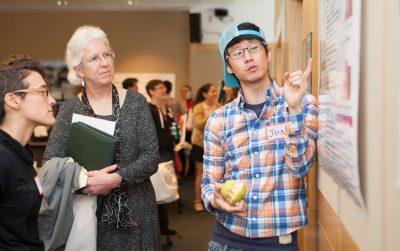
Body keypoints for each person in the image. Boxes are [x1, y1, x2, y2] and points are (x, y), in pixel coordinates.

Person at [201, 22, 317, 251]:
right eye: (237, 53)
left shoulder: (304, 103)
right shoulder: (218, 120)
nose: (247, 57)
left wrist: (292, 111)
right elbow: (209, 182)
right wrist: (214, 198)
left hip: (278, 243)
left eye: (253, 48)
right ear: (230, 67)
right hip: (226, 240)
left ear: (268, 53)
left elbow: (300, 167)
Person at [42, 25, 160, 250]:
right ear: (79, 70)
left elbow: (150, 157)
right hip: (88, 211)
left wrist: (116, 179)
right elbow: (51, 162)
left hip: (136, 210)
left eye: (107, 55)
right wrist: (85, 182)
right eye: (94, 58)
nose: (105, 62)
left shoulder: (136, 103)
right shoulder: (69, 110)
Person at [0, 55, 56, 250]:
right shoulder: (3, 159)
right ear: (13, 99)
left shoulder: (21, 154)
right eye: (43, 92)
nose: (52, 100)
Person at [145, 79, 177, 241]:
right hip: (157, 155)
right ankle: (155, 230)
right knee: (156, 193)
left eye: (164, 87)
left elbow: (172, 128)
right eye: (160, 88)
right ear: (151, 91)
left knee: (164, 193)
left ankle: (163, 227)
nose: (164, 90)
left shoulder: (166, 108)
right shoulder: (149, 110)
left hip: (168, 153)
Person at [190, 83, 220, 212]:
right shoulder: (198, 107)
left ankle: (214, 200)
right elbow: (198, 125)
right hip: (200, 145)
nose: (215, 93)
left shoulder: (219, 106)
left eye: (215, 91)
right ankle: (198, 200)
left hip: (215, 146)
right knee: (201, 174)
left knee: (216, 174)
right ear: (205, 94)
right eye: (212, 91)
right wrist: (212, 115)